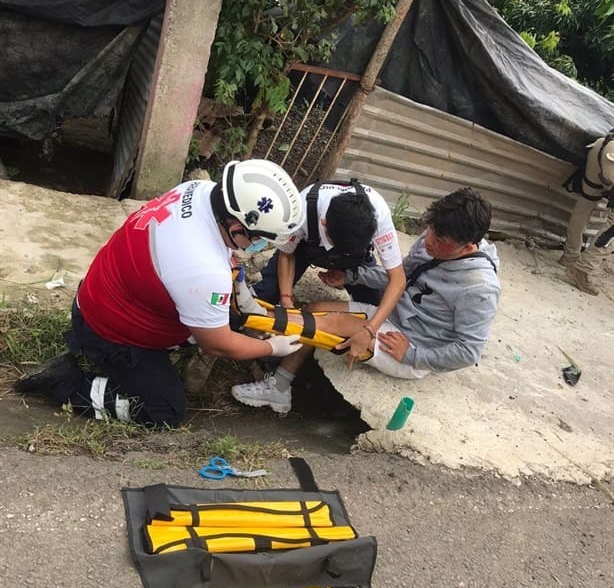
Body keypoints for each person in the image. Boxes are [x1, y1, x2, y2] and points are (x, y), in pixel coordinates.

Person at [14, 159, 304, 427]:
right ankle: (67, 384)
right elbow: (218, 345)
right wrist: (271, 349)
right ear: (236, 223)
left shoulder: (199, 191)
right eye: (255, 239)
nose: (254, 245)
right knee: (165, 412)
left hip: (101, 294)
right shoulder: (203, 269)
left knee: (223, 314)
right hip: (106, 332)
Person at [231, 187, 501, 414]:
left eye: (439, 240)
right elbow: (403, 277)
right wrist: (352, 276)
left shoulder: (479, 288)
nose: (428, 240)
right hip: (392, 319)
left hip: (409, 344)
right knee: (314, 310)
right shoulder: (434, 240)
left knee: (333, 323)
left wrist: (414, 354)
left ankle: (249, 312)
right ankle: (280, 388)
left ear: (467, 247)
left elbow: (469, 351)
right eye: (429, 230)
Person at [253, 177, 407, 361]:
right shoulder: (302, 208)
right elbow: (287, 255)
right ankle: (247, 336)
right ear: (324, 223)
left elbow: (397, 279)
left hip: (354, 259)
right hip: (305, 249)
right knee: (268, 291)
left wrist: (369, 330)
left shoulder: (379, 215)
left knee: (376, 304)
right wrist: (286, 300)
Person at [559, 131, 614, 296]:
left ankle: (569, 256)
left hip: (602, 145)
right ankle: (582, 270)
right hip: (611, 157)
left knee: (586, 203)